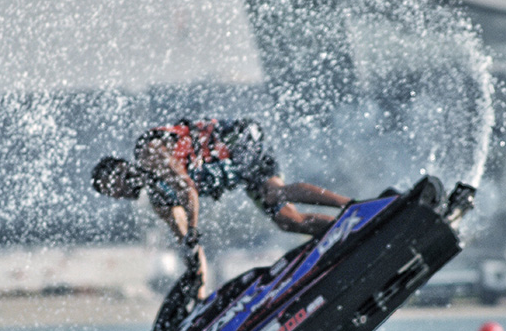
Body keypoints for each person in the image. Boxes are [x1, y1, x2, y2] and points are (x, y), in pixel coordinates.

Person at [91, 118, 350, 298]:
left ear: (120, 169)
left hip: (235, 140)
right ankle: (349, 229)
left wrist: (192, 227)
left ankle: (351, 207)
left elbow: (188, 189)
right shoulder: (160, 201)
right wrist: (199, 293)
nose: (116, 195)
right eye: (109, 194)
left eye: (110, 186)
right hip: (236, 168)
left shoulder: (148, 152)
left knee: (274, 194)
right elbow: (189, 246)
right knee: (287, 220)